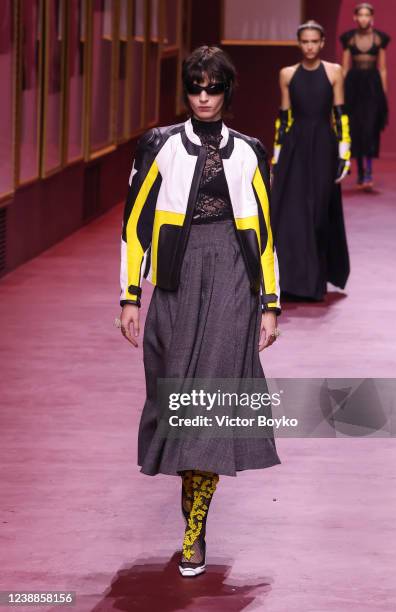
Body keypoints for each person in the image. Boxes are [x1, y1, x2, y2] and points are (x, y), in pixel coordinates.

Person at [117, 46, 282, 578]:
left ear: (227, 92)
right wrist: (128, 296)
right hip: (175, 279)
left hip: (233, 277)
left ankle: (196, 531)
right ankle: (191, 501)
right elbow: (135, 225)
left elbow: (265, 233)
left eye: (214, 88)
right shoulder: (159, 145)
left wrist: (270, 305)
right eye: (196, 87)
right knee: (175, 398)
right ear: (186, 90)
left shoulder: (251, 151)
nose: (204, 97)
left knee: (210, 398)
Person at [270, 20, 350, 302]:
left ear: (323, 42)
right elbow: (284, 117)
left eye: (314, 41)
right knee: (291, 212)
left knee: (318, 212)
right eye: (305, 41)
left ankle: (315, 279)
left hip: (324, 146)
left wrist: (344, 151)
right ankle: (293, 283)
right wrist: (277, 155)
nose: (310, 46)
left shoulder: (334, 72)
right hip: (295, 146)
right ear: (299, 43)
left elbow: (340, 113)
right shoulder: (287, 74)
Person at [340, 2, 390, 189]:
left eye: (366, 15)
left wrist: (383, 94)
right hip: (353, 86)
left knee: (370, 128)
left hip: (372, 86)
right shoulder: (348, 38)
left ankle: (368, 172)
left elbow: (383, 68)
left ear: (372, 18)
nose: (363, 18)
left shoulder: (380, 39)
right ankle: (361, 172)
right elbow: (344, 68)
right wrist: (340, 92)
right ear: (355, 17)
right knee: (356, 127)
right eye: (360, 15)